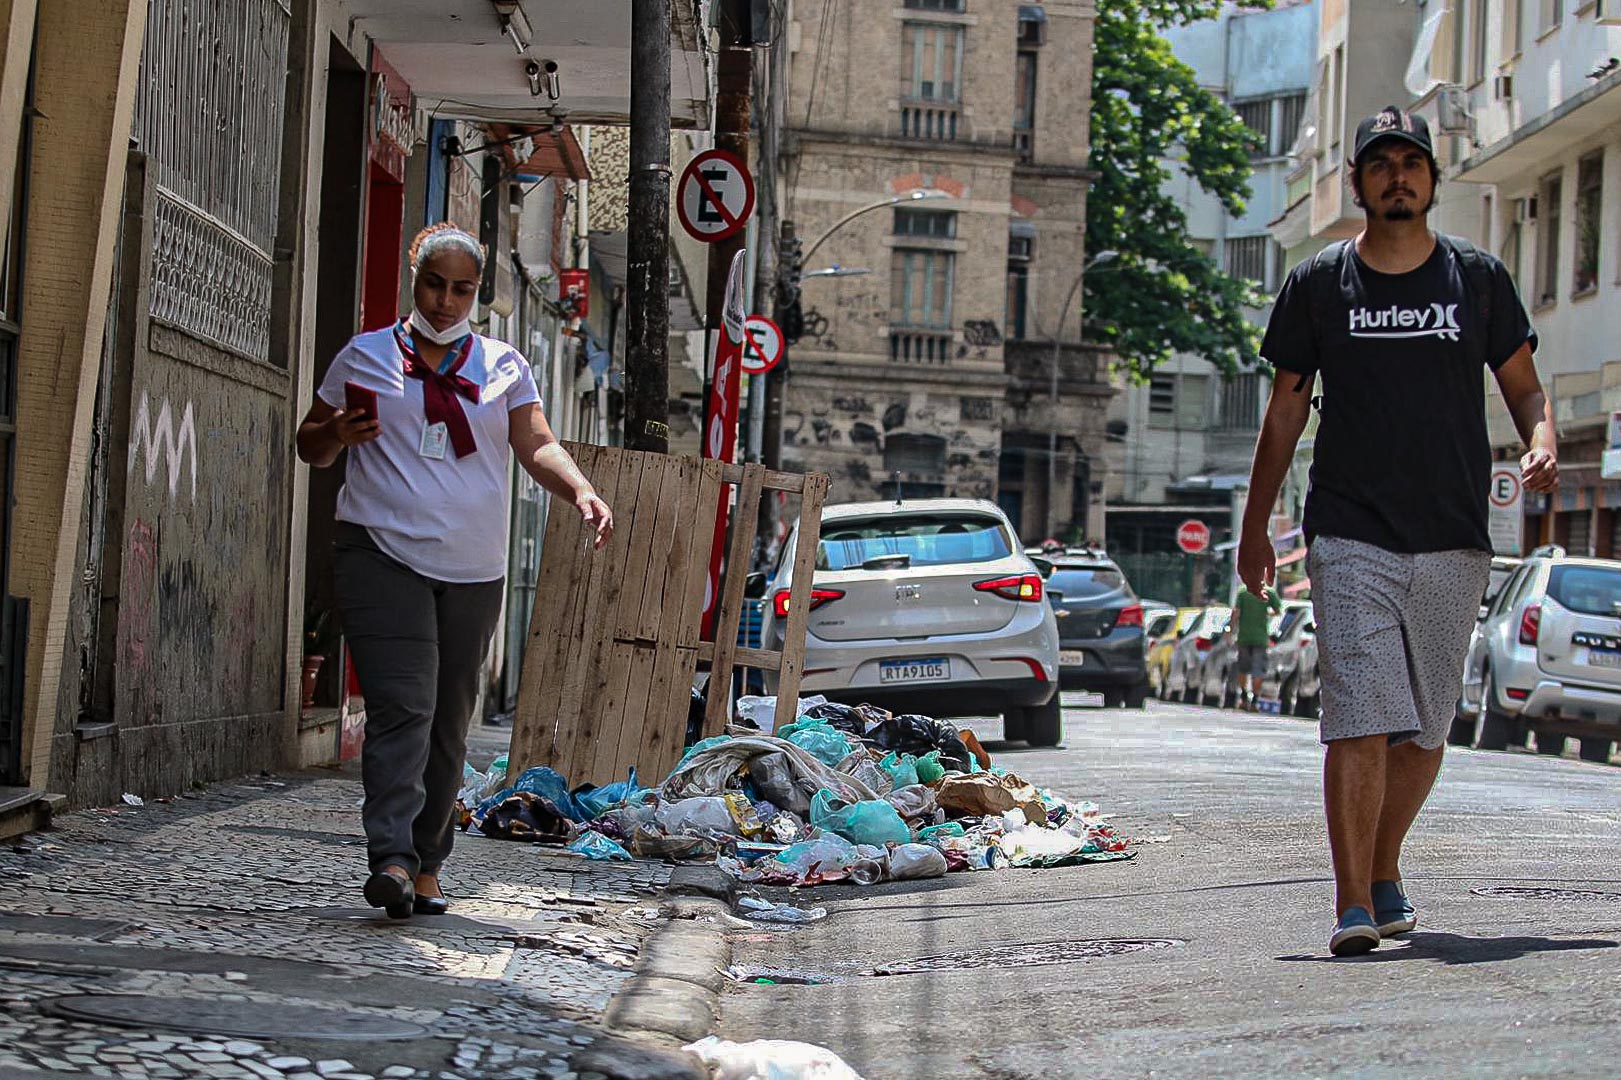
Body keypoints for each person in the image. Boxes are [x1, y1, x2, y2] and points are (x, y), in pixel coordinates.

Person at [1237, 107, 1557, 957]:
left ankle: (1384, 869)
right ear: (1357, 182)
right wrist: (1255, 526)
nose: (1396, 176)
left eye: (1410, 162)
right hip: (1348, 529)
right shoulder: (1317, 285)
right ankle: (1350, 903)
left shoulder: (1478, 281)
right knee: (1358, 714)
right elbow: (1283, 412)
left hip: (1452, 533)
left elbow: (1523, 386)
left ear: (1430, 178)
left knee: (1423, 728)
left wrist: (1543, 440)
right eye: (1379, 164)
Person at [295, 223, 613, 919]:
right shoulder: (366, 356)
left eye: (461, 289)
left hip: (472, 568)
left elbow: (535, 442)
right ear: (414, 278)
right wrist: (336, 436)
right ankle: (391, 859)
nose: (445, 300)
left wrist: (581, 490)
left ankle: (429, 863)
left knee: (449, 721)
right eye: (434, 284)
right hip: (379, 554)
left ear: (479, 294)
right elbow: (310, 446)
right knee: (403, 707)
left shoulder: (503, 364)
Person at [1232, 581, 1281, 711]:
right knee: (1258, 671)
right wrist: (1266, 614)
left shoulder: (1243, 592)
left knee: (1243, 669)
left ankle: (1243, 698)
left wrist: (1231, 629)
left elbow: (1236, 612)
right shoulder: (1268, 592)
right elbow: (1278, 610)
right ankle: (1254, 701)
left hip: (1244, 637)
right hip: (1260, 638)